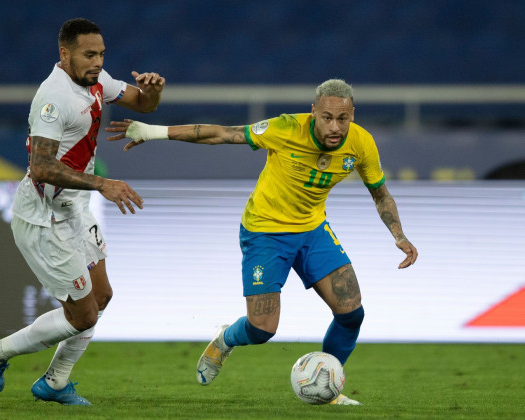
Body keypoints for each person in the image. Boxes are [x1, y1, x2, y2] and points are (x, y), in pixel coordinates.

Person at [106, 79, 418, 406]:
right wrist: (154, 132)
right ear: (314, 113)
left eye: (343, 119)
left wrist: (399, 235)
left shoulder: (361, 143)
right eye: (327, 117)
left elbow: (380, 193)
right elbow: (222, 134)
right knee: (262, 328)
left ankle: (327, 387)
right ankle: (226, 339)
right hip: (264, 232)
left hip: (312, 230)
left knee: (351, 312)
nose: (336, 126)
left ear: (352, 115)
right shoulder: (285, 128)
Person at [0, 18, 164, 405]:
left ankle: (55, 382)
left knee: (102, 296)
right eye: (89, 55)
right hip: (43, 217)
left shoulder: (96, 81)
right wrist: (103, 184)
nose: (97, 62)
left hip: (74, 208)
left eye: (101, 54)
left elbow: (143, 104)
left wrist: (152, 90)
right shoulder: (52, 97)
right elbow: (41, 167)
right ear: (65, 54)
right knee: (84, 315)